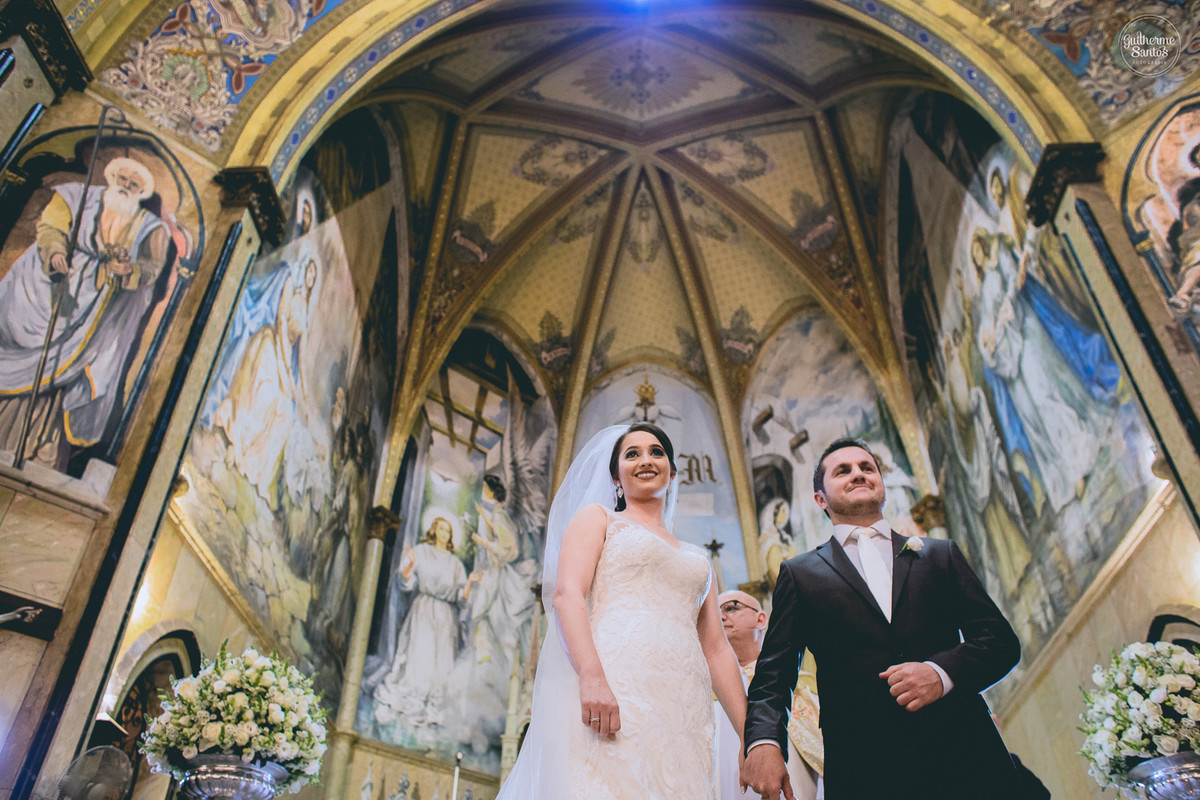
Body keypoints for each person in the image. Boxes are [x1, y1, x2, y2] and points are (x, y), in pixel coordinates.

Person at [742, 437, 1022, 800]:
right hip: (865, 769)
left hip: (967, 756)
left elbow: (1000, 642)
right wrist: (763, 742)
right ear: (820, 499)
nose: (858, 473)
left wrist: (940, 673)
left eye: (867, 467)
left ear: (881, 484)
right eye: (843, 471)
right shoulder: (800, 574)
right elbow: (773, 675)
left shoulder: (939, 555)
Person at [497, 423, 747, 799]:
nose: (645, 460)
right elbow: (568, 595)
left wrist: (753, 737)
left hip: (684, 711)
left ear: (673, 472)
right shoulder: (598, 519)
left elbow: (716, 649)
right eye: (632, 454)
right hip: (615, 691)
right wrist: (591, 676)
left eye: (656, 452)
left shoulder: (699, 558)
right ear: (616, 475)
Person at [0, 156, 171, 467]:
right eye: (122, 180)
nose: (126, 188)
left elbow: (152, 267)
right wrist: (54, 254)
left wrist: (128, 270)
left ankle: (38, 449)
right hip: (49, 292)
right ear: (112, 177)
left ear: (142, 192)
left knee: (60, 376)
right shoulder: (73, 196)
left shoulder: (152, 227)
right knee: (17, 357)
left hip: (97, 313)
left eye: (134, 185)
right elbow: (51, 228)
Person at [374, 513, 483, 729]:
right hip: (423, 611)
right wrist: (409, 565)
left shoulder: (455, 564)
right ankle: (410, 702)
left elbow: (461, 599)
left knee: (441, 662)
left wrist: (469, 584)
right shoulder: (421, 552)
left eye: (448, 530)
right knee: (419, 658)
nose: (444, 533)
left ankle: (433, 709)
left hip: (445, 617)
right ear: (433, 530)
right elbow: (406, 584)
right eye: (441, 528)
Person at [715, 589, 822, 800]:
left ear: (761, 619)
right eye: (715, 612)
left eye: (731, 608)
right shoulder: (704, 693)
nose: (721, 617)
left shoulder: (795, 685)